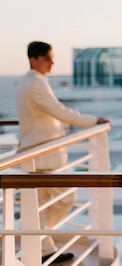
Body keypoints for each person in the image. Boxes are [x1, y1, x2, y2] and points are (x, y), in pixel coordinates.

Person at [15, 41, 110, 264]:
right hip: (43, 155)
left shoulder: (27, 82)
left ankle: (41, 244)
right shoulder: (35, 83)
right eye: (48, 58)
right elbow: (58, 111)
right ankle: (40, 242)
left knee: (38, 206)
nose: (53, 62)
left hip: (34, 153)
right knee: (67, 197)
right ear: (34, 60)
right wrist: (92, 121)